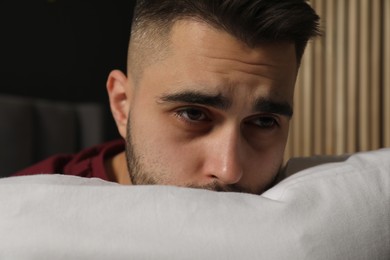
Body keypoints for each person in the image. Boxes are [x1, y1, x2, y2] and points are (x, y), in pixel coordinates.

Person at [14, 0, 320, 194]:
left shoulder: (303, 206)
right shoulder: (25, 219)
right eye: (194, 114)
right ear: (122, 105)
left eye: (264, 121)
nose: (229, 170)